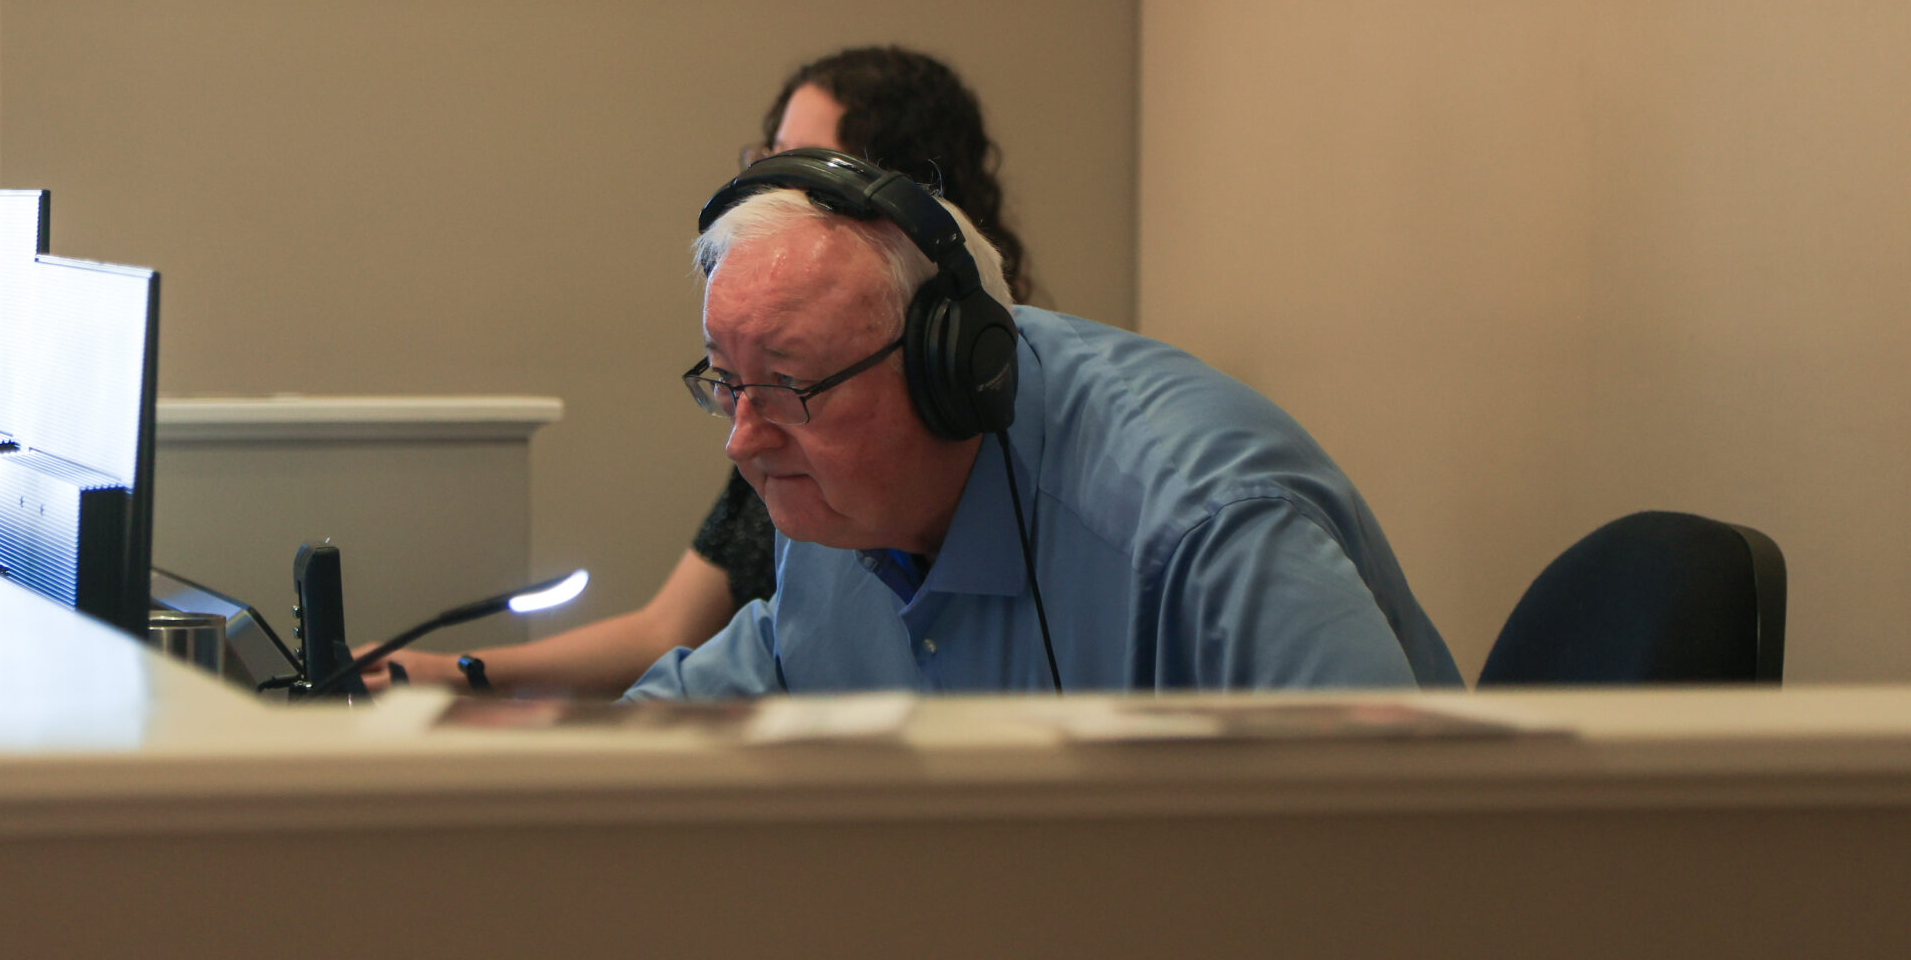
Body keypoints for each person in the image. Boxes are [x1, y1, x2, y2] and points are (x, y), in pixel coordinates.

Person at [626, 151, 1461, 697]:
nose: (744, 438)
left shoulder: (1212, 532)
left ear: (948, 369)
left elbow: (1395, 850)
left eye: (789, 383)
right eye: (728, 382)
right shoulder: (835, 498)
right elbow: (760, 675)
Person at [367, 46, 1035, 693]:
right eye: (767, 159)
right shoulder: (781, 429)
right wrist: (449, 673)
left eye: (802, 163)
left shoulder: (1010, 443)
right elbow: (675, 637)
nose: (743, 436)